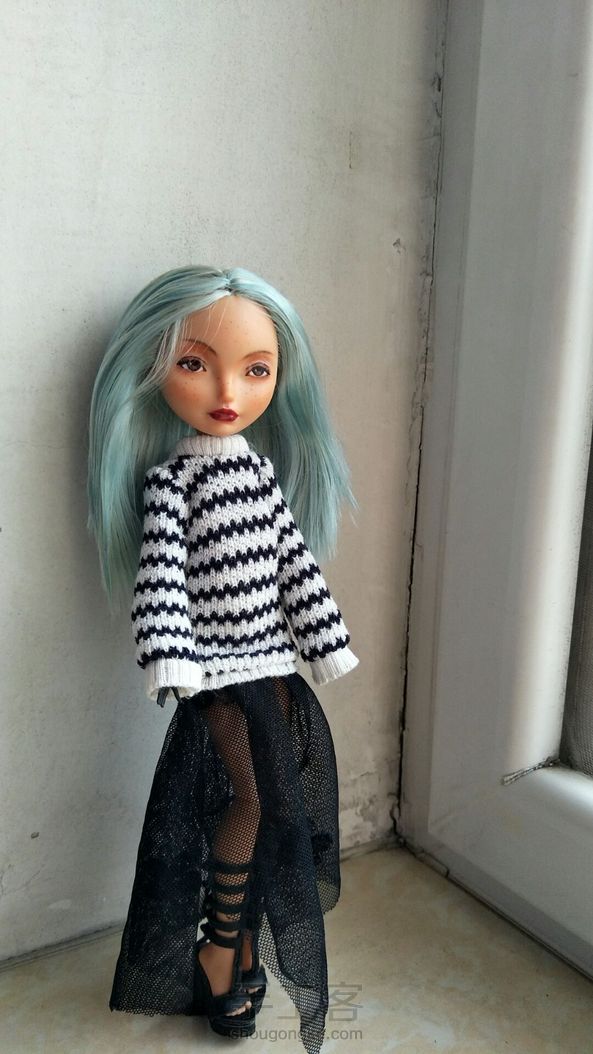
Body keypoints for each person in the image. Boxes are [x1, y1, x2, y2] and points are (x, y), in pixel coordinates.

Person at [87, 265, 359, 1053]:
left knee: (274, 801)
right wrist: (170, 655)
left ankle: (233, 942)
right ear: (154, 368)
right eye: (195, 363)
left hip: (272, 670)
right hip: (216, 677)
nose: (227, 390)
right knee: (251, 801)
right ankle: (217, 947)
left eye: (255, 369)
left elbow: (295, 567)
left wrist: (325, 643)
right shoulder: (171, 484)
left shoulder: (262, 477)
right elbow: (162, 578)